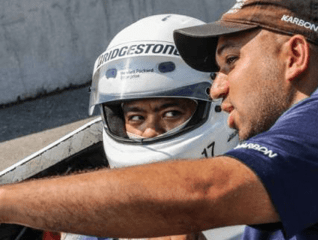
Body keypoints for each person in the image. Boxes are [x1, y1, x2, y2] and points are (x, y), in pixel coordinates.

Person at [0, 0, 318, 239]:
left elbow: (203, 192)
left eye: (230, 62)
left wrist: (2, 202)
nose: (216, 88)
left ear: (294, 56)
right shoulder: (299, 162)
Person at [55, 14, 239, 240]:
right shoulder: (91, 222)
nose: (150, 130)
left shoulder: (262, 208)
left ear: (217, 107)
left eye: (171, 114)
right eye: (136, 117)